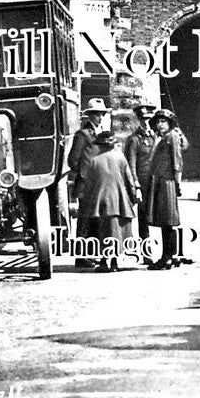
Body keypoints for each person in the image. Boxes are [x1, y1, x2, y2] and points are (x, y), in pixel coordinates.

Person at [75, 131, 140, 272]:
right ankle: (115, 262)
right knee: (117, 230)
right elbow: (129, 180)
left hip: (100, 201)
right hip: (118, 200)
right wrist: (132, 198)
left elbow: (89, 184)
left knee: (103, 231)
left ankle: (105, 262)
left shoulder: (93, 161)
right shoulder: (121, 158)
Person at [146, 109, 191, 269]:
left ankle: (168, 257)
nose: (160, 124)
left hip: (167, 182)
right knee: (165, 220)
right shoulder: (161, 137)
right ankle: (171, 255)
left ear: (170, 123)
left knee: (167, 220)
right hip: (160, 181)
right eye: (158, 122)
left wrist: (177, 184)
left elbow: (177, 162)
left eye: (163, 121)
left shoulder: (171, 136)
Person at [68, 98, 109, 267]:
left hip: (99, 184)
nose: (100, 117)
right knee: (84, 221)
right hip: (86, 185)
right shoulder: (83, 135)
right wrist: (86, 175)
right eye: (97, 114)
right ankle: (80, 257)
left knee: (96, 219)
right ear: (89, 116)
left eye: (102, 114)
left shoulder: (102, 133)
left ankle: (91, 253)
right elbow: (73, 160)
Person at [123, 103, 159, 245]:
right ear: (138, 120)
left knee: (160, 215)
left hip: (157, 182)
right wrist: (136, 186)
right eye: (143, 119)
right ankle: (146, 251)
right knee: (143, 217)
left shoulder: (157, 137)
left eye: (149, 119)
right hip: (143, 183)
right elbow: (131, 165)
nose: (146, 122)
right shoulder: (134, 139)